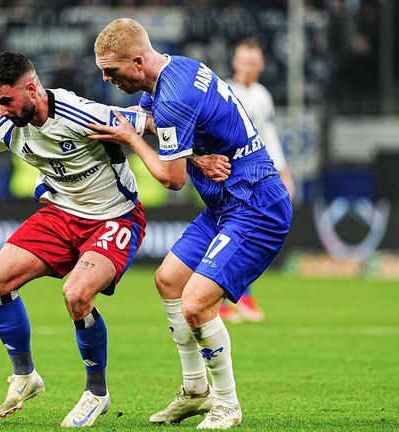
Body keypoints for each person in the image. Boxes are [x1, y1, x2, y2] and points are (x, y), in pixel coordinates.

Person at [0, 51, 148, 428]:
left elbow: (148, 121)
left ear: (32, 89)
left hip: (114, 217)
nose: (1, 110)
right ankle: (25, 376)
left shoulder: (80, 113)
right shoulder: (10, 125)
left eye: (6, 101)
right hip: (61, 214)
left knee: (77, 294)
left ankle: (96, 393)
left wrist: (199, 158)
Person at [88, 19, 292, 429]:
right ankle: (195, 390)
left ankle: (227, 404)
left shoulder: (173, 97)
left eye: (111, 71)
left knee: (196, 303)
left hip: (254, 205)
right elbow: (152, 123)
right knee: (168, 280)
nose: (107, 79)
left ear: (138, 61)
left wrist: (129, 139)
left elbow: (171, 177)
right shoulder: (177, 69)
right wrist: (195, 154)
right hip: (225, 205)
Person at [219, 38, 297, 324]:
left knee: (246, 235)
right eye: (244, 61)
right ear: (235, 62)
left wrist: (284, 172)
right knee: (230, 234)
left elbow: (269, 137)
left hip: (258, 176)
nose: (249, 66)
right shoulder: (225, 92)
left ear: (261, 65)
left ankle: (238, 295)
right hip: (228, 174)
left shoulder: (263, 96)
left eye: (254, 62)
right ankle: (225, 297)